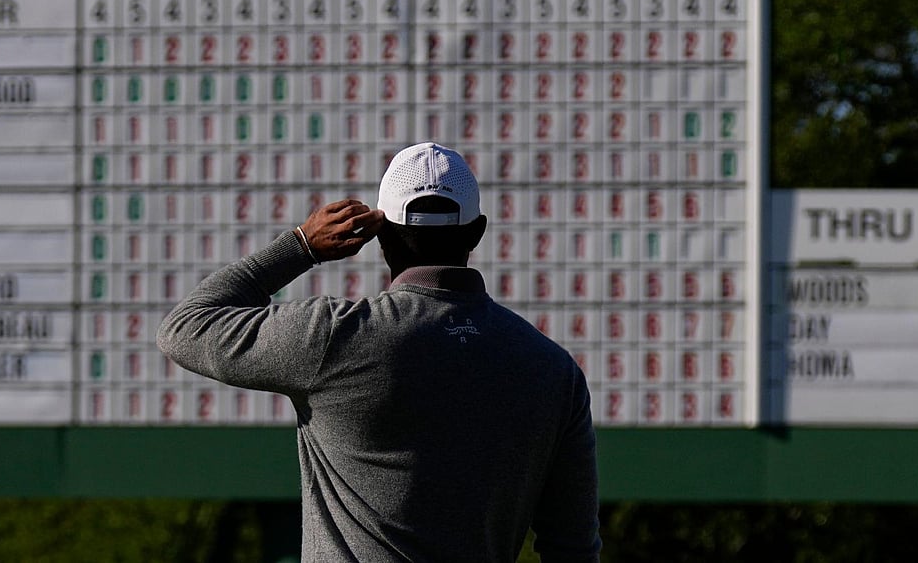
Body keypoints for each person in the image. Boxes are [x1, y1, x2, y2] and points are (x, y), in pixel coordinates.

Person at [157, 142, 600, 562]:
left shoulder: (336, 337)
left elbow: (186, 326)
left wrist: (301, 245)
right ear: (478, 232)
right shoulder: (553, 370)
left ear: (380, 234)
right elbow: (573, 547)